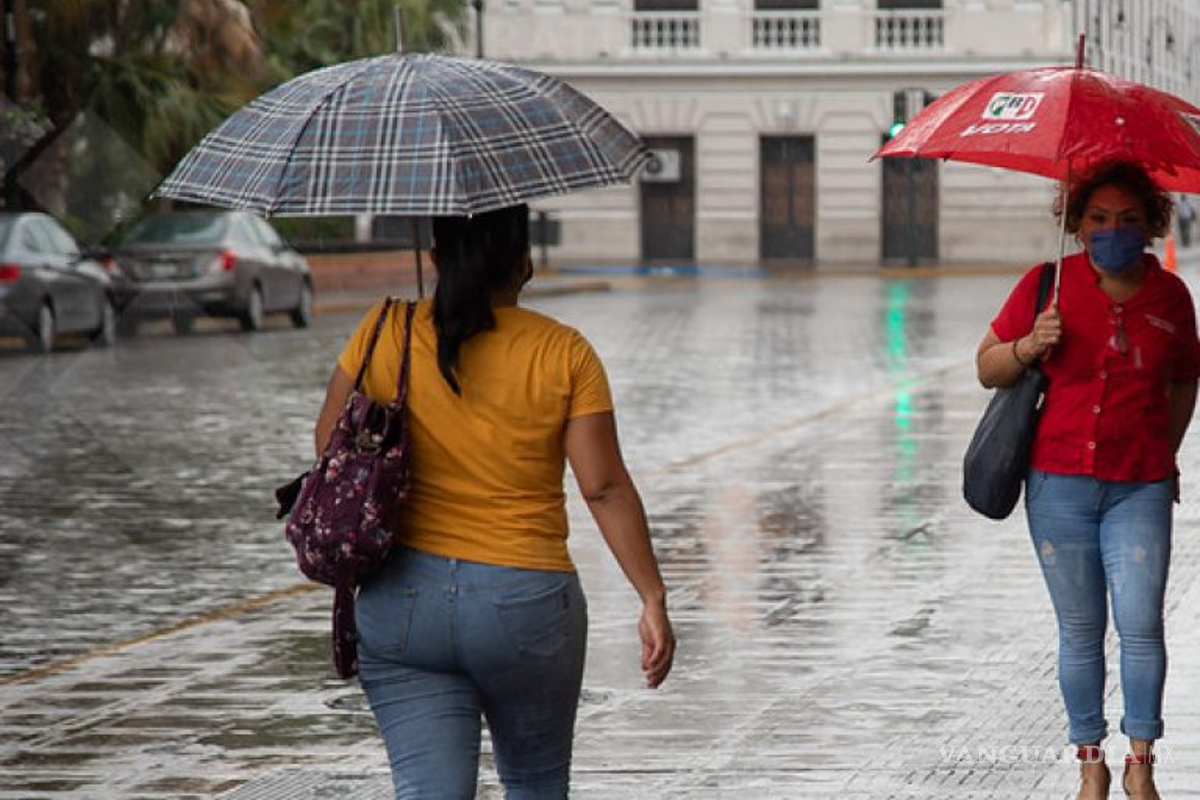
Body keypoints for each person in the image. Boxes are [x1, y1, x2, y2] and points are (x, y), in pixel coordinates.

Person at [313, 203, 675, 799]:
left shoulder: (383, 330)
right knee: (534, 782)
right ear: (524, 260)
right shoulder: (564, 352)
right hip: (526, 605)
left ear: (435, 257)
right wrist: (651, 596)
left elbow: (329, 443)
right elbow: (602, 486)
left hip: (401, 607)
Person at [975, 161, 1200, 800]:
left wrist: (1166, 450)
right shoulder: (1046, 287)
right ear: (1076, 224)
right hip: (1058, 486)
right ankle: (1089, 759)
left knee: (1141, 622)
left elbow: (1185, 378)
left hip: (1140, 486)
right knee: (1079, 632)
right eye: (1099, 219)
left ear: (1152, 225)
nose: (1113, 231)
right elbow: (986, 367)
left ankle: (1141, 763)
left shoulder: (1171, 299)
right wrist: (1027, 346)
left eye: (1129, 220)